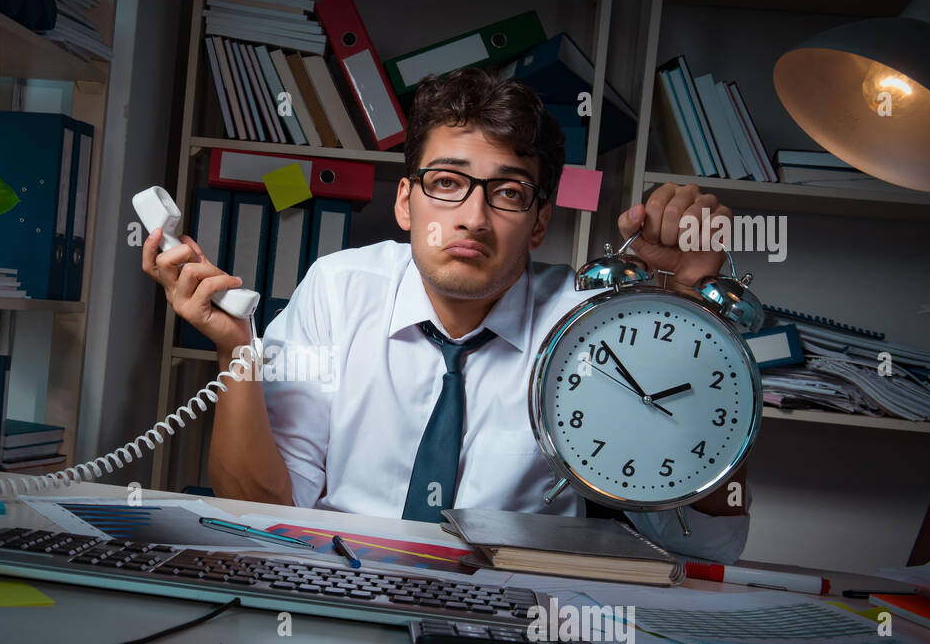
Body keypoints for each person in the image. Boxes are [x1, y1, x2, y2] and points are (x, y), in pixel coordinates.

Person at [142, 67, 750, 562]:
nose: (473, 218)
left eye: (508, 192)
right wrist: (236, 353)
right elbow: (261, 506)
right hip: (337, 582)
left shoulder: (591, 327)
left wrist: (695, 305)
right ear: (406, 201)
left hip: (515, 613)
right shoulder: (338, 289)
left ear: (540, 222)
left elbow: (711, 540)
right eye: (446, 183)